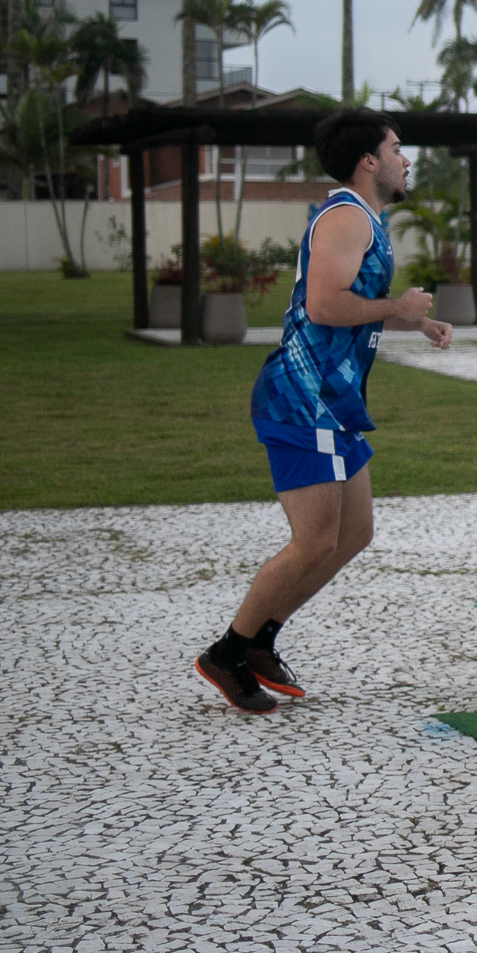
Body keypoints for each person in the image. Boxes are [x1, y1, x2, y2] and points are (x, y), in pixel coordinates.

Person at [194, 107, 450, 713]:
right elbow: (324, 306)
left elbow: (349, 302)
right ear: (369, 161)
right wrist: (398, 308)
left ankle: (263, 638)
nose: (404, 158)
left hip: (331, 404)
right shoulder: (345, 215)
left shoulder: (365, 219)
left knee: (353, 532)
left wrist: (415, 317)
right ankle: (229, 651)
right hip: (302, 401)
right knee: (314, 542)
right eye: (395, 148)